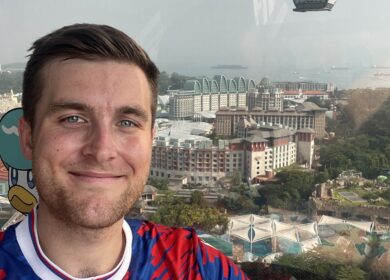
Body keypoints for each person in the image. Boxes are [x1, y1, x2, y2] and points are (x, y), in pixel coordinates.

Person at [0, 23, 248, 279]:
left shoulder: (199, 268)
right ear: (28, 138)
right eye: (73, 119)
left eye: (127, 123)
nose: (102, 150)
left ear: (151, 140)